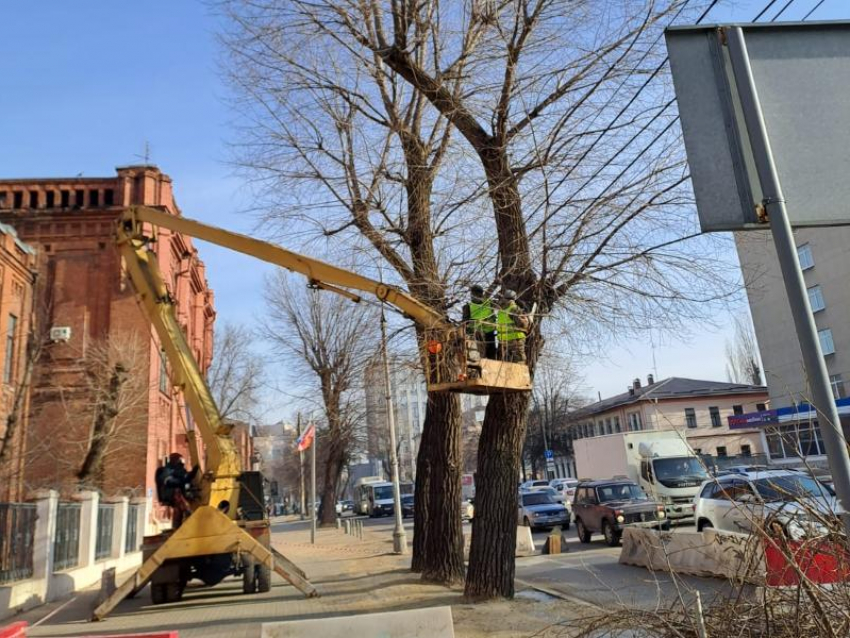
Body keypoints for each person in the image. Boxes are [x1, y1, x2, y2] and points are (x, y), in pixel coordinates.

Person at [462, 284, 497, 359]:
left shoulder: (489, 303)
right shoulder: (468, 306)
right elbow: (465, 323)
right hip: (479, 334)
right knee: (484, 355)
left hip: (486, 333)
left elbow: (465, 322)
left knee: (487, 355)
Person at [496, 289, 529, 363]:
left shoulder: (501, 310)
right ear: (514, 298)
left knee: (507, 362)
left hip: (505, 341)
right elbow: (522, 324)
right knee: (519, 361)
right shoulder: (514, 308)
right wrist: (526, 320)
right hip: (515, 339)